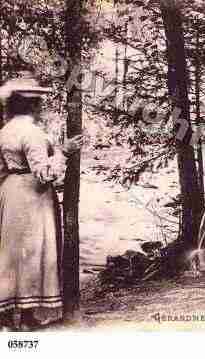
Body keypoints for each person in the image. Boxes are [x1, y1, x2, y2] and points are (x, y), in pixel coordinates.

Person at [0, 72, 84, 331]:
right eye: (39, 103)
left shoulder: (5, 131)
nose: (41, 107)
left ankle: (7, 318)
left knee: (11, 254)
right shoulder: (32, 133)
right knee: (33, 251)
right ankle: (25, 317)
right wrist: (64, 151)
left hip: (9, 193)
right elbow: (45, 174)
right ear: (32, 105)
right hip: (31, 197)